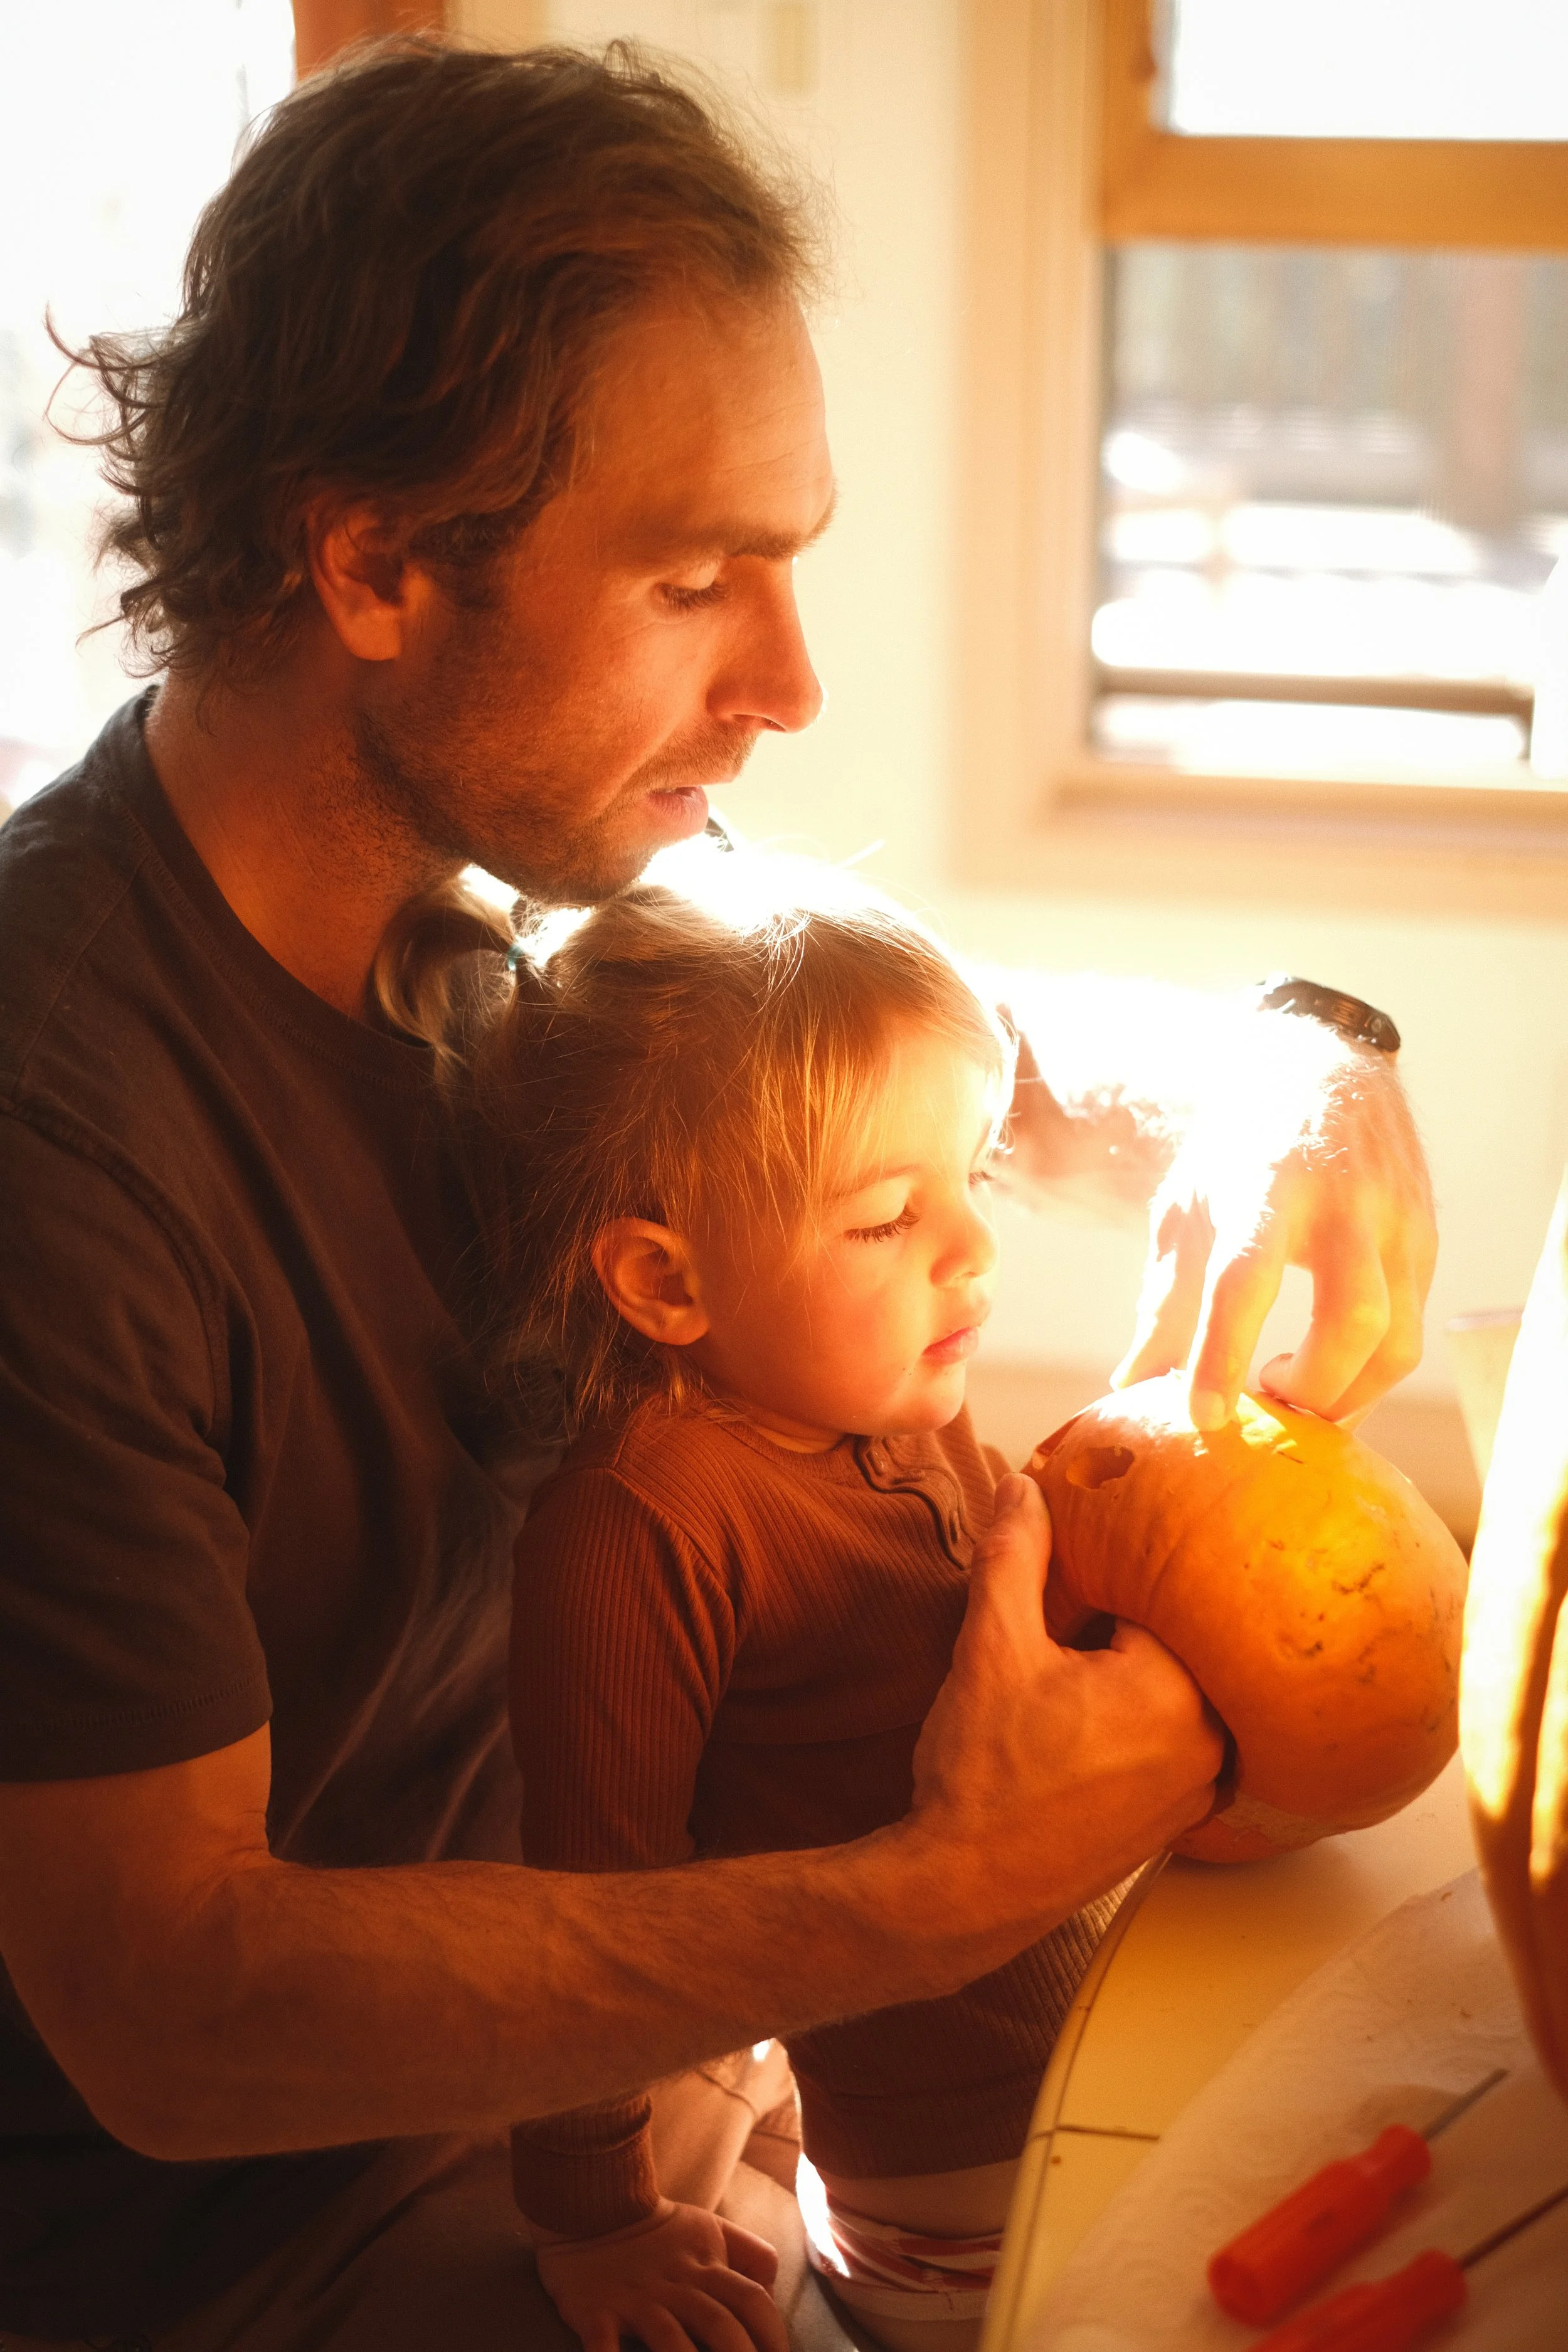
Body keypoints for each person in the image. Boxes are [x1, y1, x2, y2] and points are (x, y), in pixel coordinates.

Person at [0, 34, 1428, 2348]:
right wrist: (926, 1894)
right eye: (698, 580)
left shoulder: (498, 907)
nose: (787, 678)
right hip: (265, 2248)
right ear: (373, 562)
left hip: (619, 2068)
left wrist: (1286, 1063)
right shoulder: (59, 1142)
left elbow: (923, 1064)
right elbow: (172, 2007)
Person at [438, 856, 1136, 2352]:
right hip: (959, 2186)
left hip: (1091, 2040)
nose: (971, 1248)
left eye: (974, 1176)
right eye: (887, 1218)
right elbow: (593, 1924)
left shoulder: (889, 1400)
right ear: (664, 1281)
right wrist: (596, 2219)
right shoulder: (644, 1526)